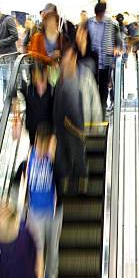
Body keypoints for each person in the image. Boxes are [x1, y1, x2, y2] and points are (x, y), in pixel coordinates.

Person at [15, 122, 62, 278]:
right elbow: (17, 179)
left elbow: (62, 179)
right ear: (36, 142)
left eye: (45, 146)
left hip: (53, 213)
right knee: (38, 251)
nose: (42, 150)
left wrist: (53, 160)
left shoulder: (54, 161)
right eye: (40, 146)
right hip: (34, 213)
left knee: (52, 249)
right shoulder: (28, 158)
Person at [53, 43, 87, 194]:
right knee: (63, 155)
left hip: (73, 126)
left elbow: (75, 105)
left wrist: (79, 129)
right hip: (61, 125)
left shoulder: (74, 80)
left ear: (73, 59)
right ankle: (67, 183)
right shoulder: (61, 79)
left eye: (66, 57)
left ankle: (81, 183)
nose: (63, 60)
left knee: (76, 153)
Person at [87, 1, 122, 110]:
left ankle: (102, 108)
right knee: (91, 86)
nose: (100, 17)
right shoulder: (89, 23)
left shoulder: (111, 23)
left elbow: (119, 40)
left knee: (103, 86)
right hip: (92, 61)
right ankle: (93, 108)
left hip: (105, 61)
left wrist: (117, 48)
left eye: (101, 14)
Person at [17, 61, 54, 145]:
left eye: (35, 73)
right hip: (33, 131)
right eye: (33, 74)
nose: (34, 76)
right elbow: (13, 94)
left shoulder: (52, 91)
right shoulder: (28, 90)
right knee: (35, 151)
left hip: (47, 132)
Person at [28, 3, 67, 68]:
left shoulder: (60, 36)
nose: (51, 23)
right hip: (42, 71)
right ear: (45, 22)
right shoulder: (38, 36)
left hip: (57, 71)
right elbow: (31, 53)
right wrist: (49, 59)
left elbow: (67, 53)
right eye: (49, 20)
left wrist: (60, 53)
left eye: (54, 21)